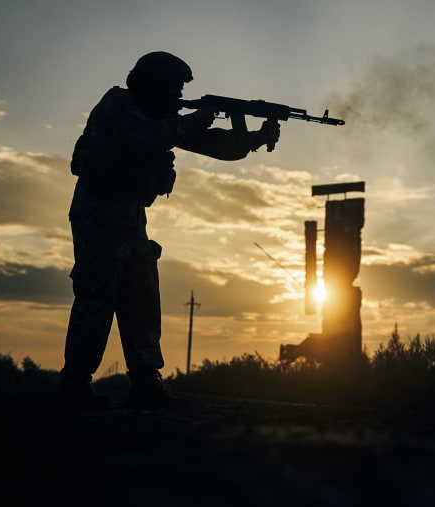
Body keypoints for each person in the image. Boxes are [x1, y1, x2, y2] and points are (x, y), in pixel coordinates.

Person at [59, 51, 280, 410]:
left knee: (140, 294)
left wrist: (254, 137)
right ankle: (74, 384)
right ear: (151, 83)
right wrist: (198, 118)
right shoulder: (118, 104)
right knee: (97, 296)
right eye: (173, 88)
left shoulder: (164, 117)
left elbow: (216, 146)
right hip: (99, 211)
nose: (177, 96)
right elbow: (146, 136)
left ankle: (146, 381)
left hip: (130, 216)